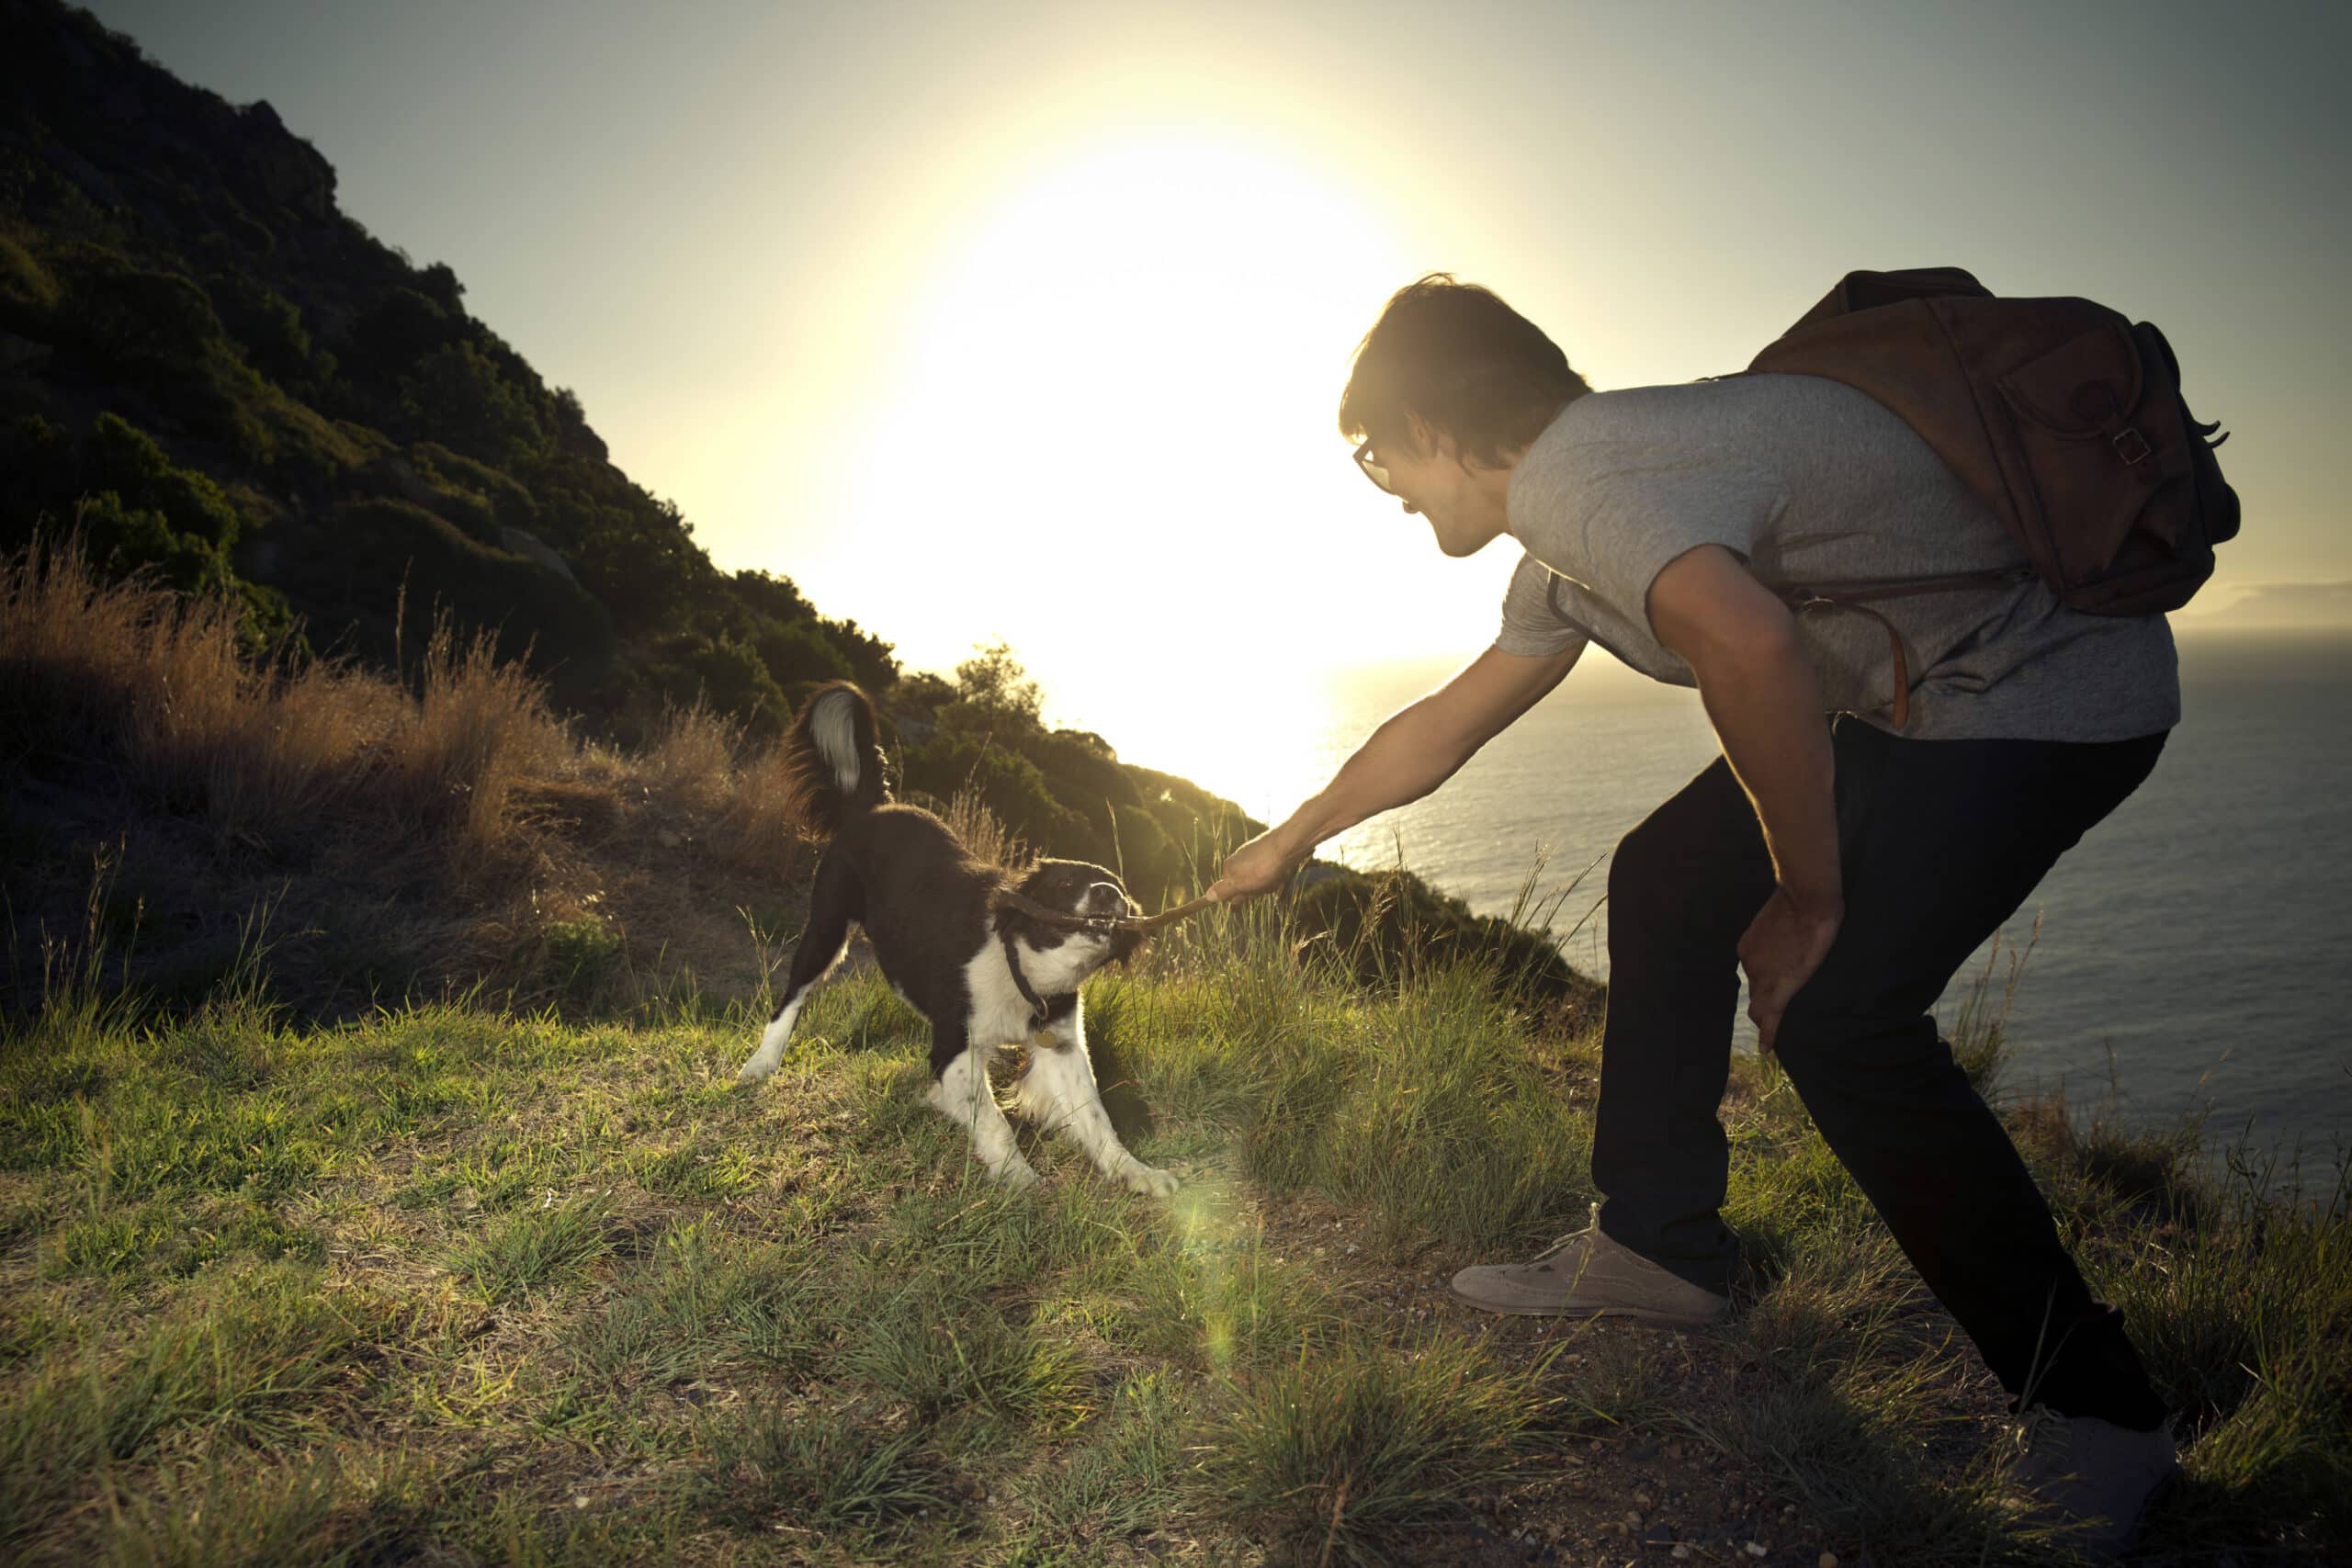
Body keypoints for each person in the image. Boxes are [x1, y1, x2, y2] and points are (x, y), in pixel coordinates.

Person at [1202, 274, 2182, 1554]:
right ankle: (1659, 1249)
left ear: (1435, 425)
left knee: (1840, 1020)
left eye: (1382, 458)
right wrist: (1289, 840)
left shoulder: (1584, 483)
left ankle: (2100, 1417)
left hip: (2043, 694)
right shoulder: (1581, 513)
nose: (1393, 493)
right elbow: (1446, 725)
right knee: (1662, 876)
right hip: (1915, 697)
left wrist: (1805, 895)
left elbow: (1756, 648)